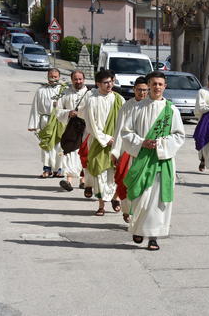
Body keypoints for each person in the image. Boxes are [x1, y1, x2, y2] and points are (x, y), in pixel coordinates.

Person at [122, 71, 185, 251]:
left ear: (165, 86)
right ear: (148, 85)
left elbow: (179, 136)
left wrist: (159, 144)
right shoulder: (137, 108)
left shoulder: (171, 110)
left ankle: (153, 236)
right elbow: (126, 133)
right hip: (141, 158)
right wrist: (142, 143)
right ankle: (138, 228)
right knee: (140, 196)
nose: (157, 87)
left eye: (160, 84)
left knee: (157, 200)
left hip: (162, 161)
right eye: (154, 84)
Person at [84, 69, 125, 216]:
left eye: (111, 81)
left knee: (115, 173)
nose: (109, 85)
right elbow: (91, 124)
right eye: (106, 82)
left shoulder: (119, 99)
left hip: (117, 142)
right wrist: (106, 139)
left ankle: (115, 197)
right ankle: (101, 206)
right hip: (98, 142)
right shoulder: (92, 100)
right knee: (99, 173)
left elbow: (124, 123)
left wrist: (117, 139)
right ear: (98, 84)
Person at [110, 76, 148, 223]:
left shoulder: (150, 106)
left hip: (144, 151)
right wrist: (115, 151)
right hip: (127, 149)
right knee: (125, 179)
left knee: (141, 184)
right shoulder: (127, 106)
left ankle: (137, 213)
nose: (142, 93)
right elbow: (119, 130)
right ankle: (126, 209)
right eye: (139, 90)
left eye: (145, 90)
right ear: (134, 90)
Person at [28, 68, 64, 178]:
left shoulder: (63, 90)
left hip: (59, 121)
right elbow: (35, 107)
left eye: (55, 77)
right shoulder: (41, 90)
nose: (53, 79)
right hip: (45, 121)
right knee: (46, 145)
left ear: (59, 77)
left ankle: (59, 169)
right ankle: (47, 169)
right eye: (51, 76)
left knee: (59, 146)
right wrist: (33, 124)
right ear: (47, 77)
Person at [56, 70, 88, 191]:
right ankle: (68, 181)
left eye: (80, 79)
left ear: (84, 79)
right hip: (71, 128)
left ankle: (83, 181)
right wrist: (68, 113)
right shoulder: (65, 93)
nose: (78, 81)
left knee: (84, 154)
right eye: (75, 79)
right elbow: (58, 111)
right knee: (70, 152)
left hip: (86, 129)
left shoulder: (90, 94)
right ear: (71, 80)